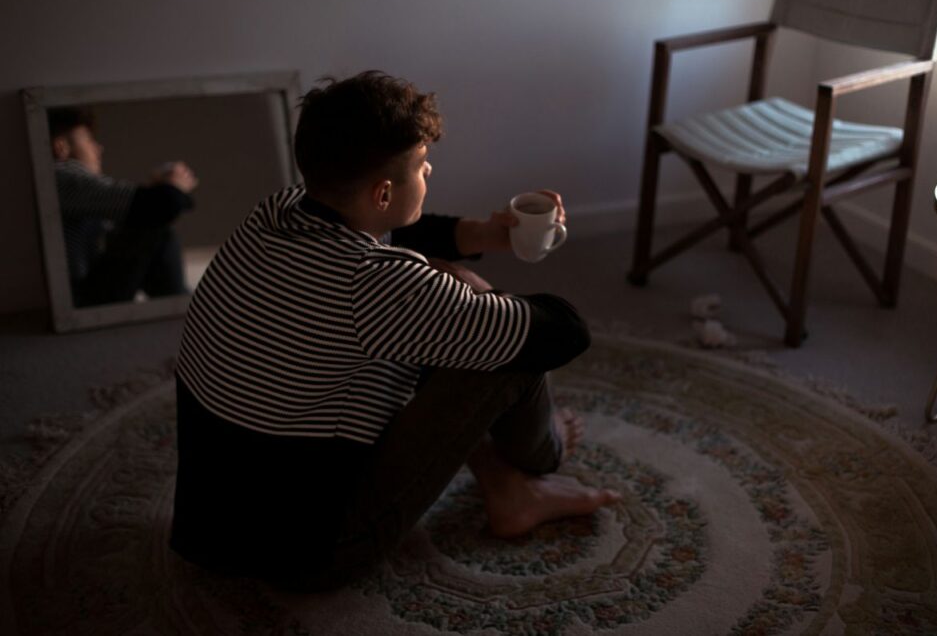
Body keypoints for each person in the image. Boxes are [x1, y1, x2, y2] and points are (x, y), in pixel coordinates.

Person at [170, 71, 619, 591]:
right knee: (496, 349)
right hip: (311, 554)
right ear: (385, 190)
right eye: (423, 166)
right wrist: (477, 293)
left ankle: (505, 488)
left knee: (442, 319)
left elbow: (390, 226)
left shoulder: (273, 213)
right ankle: (542, 458)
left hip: (211, 532)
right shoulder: (374, 284)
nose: (429, 172)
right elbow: (566, 331)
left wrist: (481, 236)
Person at [48, 107, 198, 307]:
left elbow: (155, 208)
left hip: (82, 291)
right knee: (158, 231)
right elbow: (164, 205)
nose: (99, 149)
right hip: (80, 296)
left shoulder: (68, 191)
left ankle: (186, 310)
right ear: (61, 148)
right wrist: (172, 186)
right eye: (89, 140)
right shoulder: (62, 175)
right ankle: (189, 311)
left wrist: (167, 191)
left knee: (150, 226)